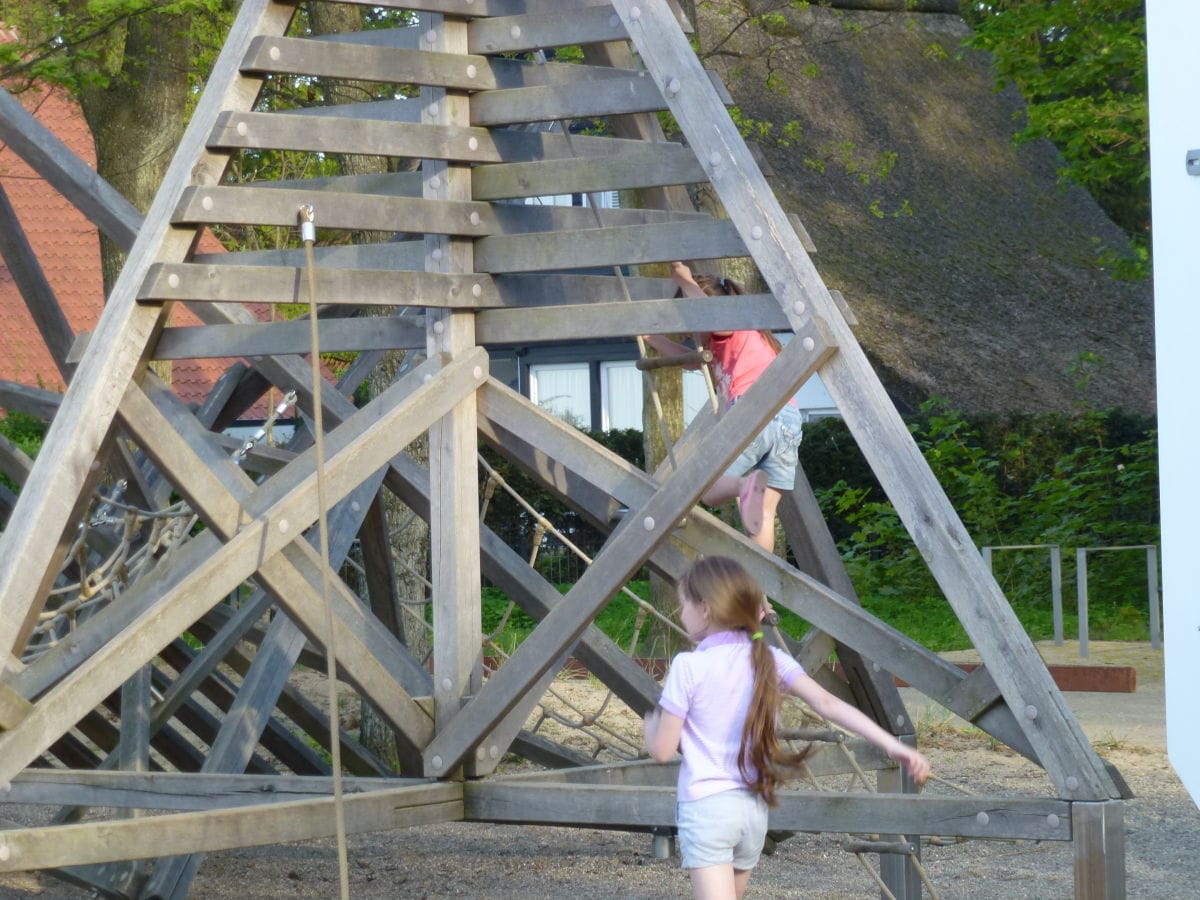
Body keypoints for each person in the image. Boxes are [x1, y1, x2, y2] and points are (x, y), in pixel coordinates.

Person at [643, 556, 930, 900]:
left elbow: (662, 749)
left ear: (705, 608)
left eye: (683, 603)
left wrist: (650, 727)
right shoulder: (770, 659)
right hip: (752, 810)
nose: (681, 612)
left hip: (707, 808)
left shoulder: (688, 666)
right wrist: (891, 744)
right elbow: (828, 704)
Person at [641, 261, 802, 553]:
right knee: (763, 515)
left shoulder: (728, 327)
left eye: (690, 329)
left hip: (754, 411)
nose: (690, 336)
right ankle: (759, 596)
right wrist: (653, 338)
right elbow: (690, 360)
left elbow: (712, 318)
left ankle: (744, 487)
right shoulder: (736, 339)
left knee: (709, 489)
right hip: (788, 422)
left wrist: (685, 280)